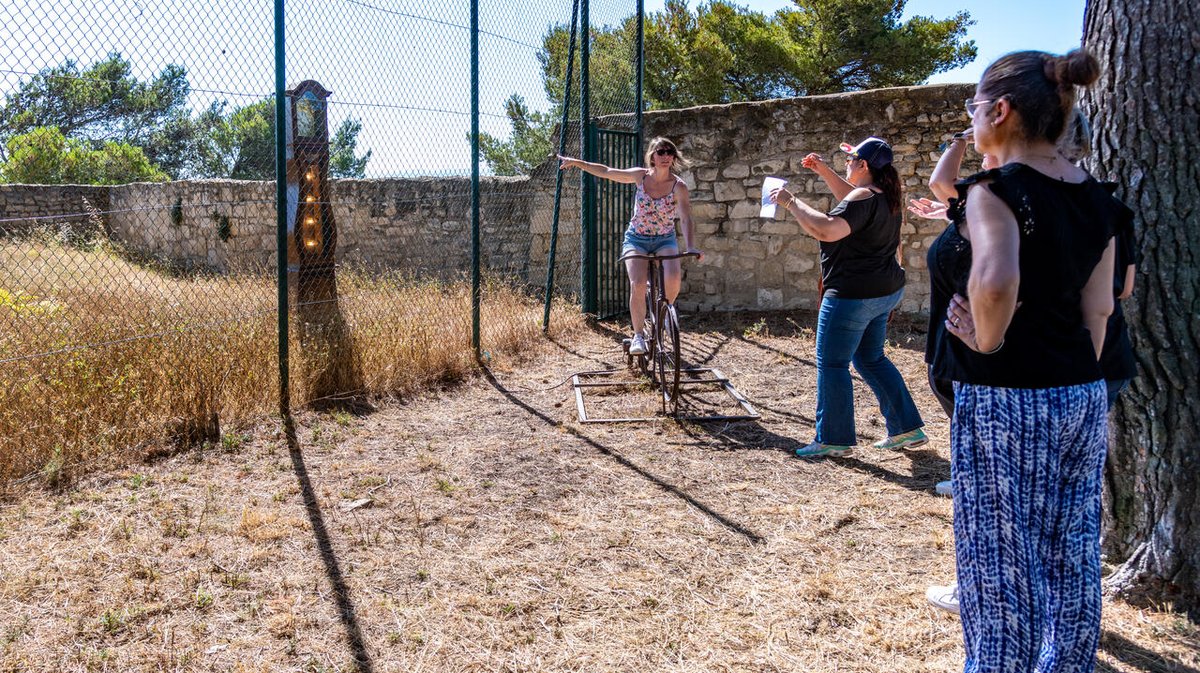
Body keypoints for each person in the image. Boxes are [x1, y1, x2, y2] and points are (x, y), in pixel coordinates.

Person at [929, 49, 1131, 672]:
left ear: (1002, 110)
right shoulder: (1098, 199)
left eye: (974, 108)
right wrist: (1075, 374)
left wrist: (987, 341)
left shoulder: (993, 189)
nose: (972, 118)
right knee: (1071, 545)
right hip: (1081, 391)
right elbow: (1100, 308)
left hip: (1004, 396)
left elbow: (994, 284)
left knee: (996, 558)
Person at [768, 137, 926, 458]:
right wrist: (824, 170)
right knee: (870, 358)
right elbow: (852, 202)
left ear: (863, 165)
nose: (847, 164)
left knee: (832, 363)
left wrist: (791, 202)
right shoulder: (884, 195)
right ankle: (906, 428)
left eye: (851, 160)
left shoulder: (865, 197)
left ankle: (834, 439)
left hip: (853, 295)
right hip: (885, 291)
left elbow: (827, 229)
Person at [558, 138, 703, 354]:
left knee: (673, 278)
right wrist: (578, 163)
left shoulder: (678, 186)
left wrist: (691, 246)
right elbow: (607, 171)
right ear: (652, 156)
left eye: (669, 152)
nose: (665, 156)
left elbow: (685, 218)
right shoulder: (640, 176)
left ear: (674, 157)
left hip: (665, 238)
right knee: (637, 283)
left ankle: (665, 312)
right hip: (637, 239)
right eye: (660, 152)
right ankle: (638, 336)